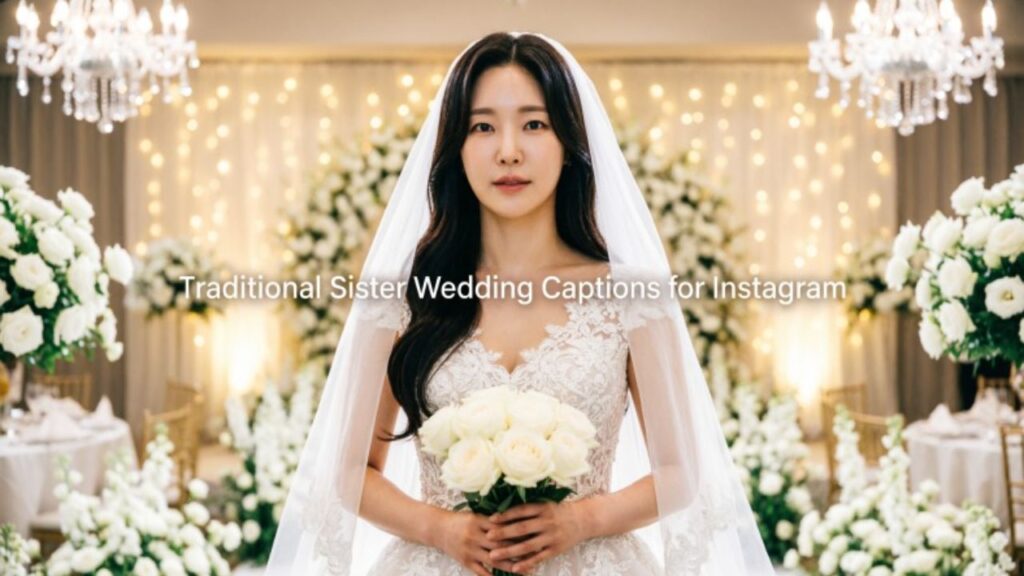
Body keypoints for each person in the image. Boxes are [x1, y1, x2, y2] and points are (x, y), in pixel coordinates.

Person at [267, 32, 775, 575]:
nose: (508, 150)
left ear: (569, 143)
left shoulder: (631, 295)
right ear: (456, 148)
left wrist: (580, 520)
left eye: (534, 124)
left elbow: (679, 472)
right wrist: (442, 528)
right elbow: (351, 473)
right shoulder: (405, 294)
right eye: (482, 127)